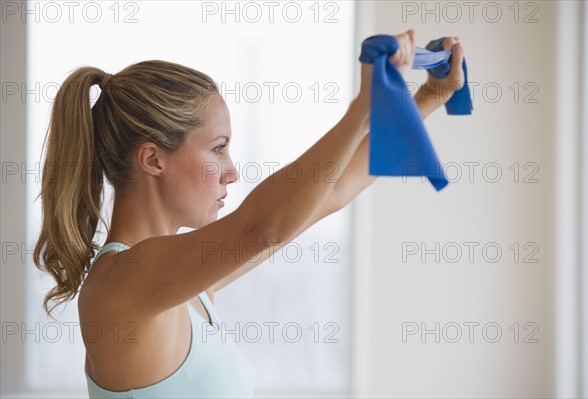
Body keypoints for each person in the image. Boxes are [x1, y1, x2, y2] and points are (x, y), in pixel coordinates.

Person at [33, 30, 464, 398]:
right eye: (218, 148)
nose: (231, 171)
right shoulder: (126, 278)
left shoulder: (185, 286)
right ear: (152, 158)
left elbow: (328, 193)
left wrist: (429, 96)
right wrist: (360, 109)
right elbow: (262, 229)